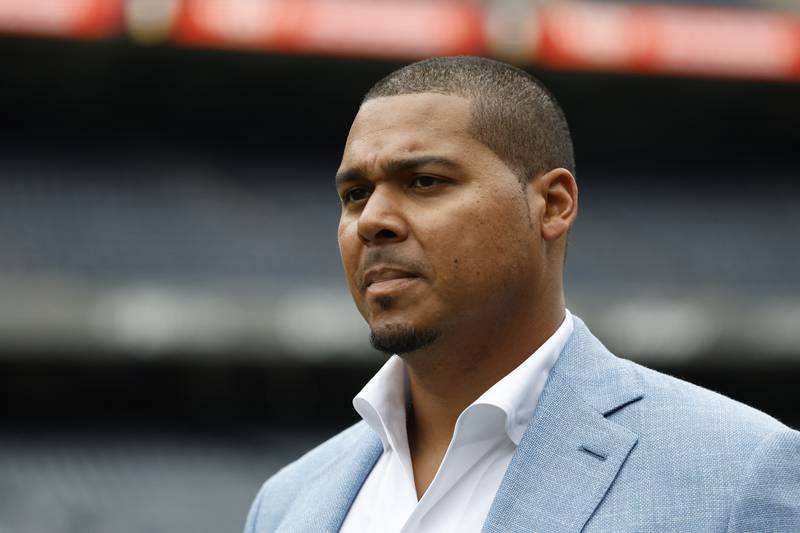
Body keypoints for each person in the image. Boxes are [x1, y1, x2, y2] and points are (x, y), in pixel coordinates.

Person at [245, 56, 800, 532]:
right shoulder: (288, 502)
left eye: (424, 181)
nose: (373, 221)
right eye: (355, 193)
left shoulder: (736, 474)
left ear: (552, 205)